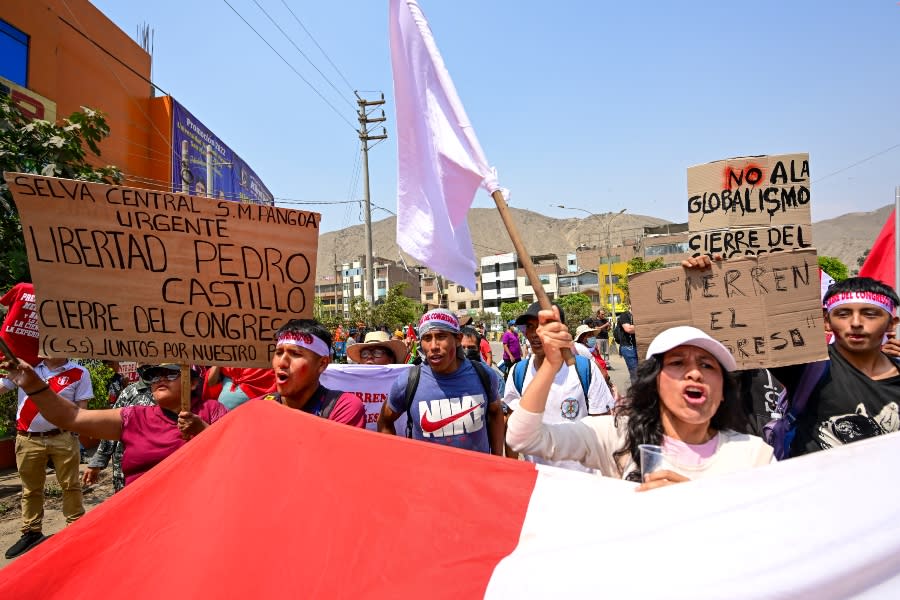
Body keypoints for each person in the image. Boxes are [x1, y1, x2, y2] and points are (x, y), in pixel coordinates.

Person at [506, 308, 773, 489]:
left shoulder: (754, 456)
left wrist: (697, 504)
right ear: (653, 381)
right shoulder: (616, 438)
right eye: (678, 363)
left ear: (724, 389)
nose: (694, 373)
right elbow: (522, 438)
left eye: (707, 366)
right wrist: (551, 365)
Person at [0, 360, 225, 498]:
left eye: (172, 372)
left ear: (194, 382)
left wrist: (202, 430)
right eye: (153, 375)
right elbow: (71, 416)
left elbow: (234, 457)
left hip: (200, 512)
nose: (159, 379)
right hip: (143, 516)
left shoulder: (213, 411)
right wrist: (32, 384)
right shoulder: (135, 416)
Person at [772, 276, 900, 455]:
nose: (856, 323)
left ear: (891, 324)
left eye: (870, 314)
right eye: (843, 314)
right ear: (826, 321)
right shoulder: (808, 366)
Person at [377, 309, 505, 455]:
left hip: (476, 476)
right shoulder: (408, 381)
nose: (433, 346)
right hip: (427, 477)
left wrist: (497, 460)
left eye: (441, 336)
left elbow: (496, 412)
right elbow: (384, 421)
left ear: (458, 339)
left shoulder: (484, 374)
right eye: (426, 338)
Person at [1, 355, 92, 559]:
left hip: (62, 437)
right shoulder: (26, 367)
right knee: (30, 489)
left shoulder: (79, 372)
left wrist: (73, 434)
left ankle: (75, 528)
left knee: (71, 485)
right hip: (28, 438)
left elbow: (82, 410)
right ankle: (31, 532)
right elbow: (2, 386)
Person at [504, 305, 615, 472]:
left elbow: (603, 430)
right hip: (538, 480)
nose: (535, 334)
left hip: (583, 479)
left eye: (543, 327)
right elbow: (513, 428)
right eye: (530, 327)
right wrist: (514, 471)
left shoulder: (585, 369)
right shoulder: (518, 373)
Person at [259, 319, 366, 427]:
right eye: (278, 353)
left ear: (322, 364)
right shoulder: (259, 406)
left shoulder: (343, 407)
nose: (282, 363)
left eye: (295, 354)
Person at [83, 377, 155, 492]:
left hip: (158, 471)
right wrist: (98, 461)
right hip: (124, 473)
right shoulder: (130, 391)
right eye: (141, 362)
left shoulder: (180, 394)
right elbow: (114, 426)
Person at [203, 366, 275, 410]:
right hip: (223, 418)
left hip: (256, 415)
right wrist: (217, 361)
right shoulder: (229, 353)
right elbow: (211, 382)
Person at [615, 308, 638, 381]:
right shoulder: (625, 315)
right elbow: (628, 329)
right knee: (635, 373)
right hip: (629, 348)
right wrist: (645, 325)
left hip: (639, 346)